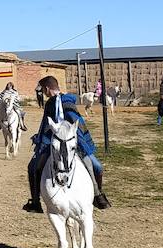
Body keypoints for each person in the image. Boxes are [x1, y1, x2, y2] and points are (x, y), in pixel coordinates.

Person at [24, 76, 110, 213]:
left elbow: (77, 124)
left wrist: (81, 143)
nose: (44, 94)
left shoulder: (67, 102)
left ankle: (97, 195)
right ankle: (35, 202)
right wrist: (41, 139)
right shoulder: (50, 104)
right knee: (32, 167)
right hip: (53, 143)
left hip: (72, 143)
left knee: (96, 166)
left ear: (47, 89)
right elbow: (47, 126)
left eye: (43, 90)